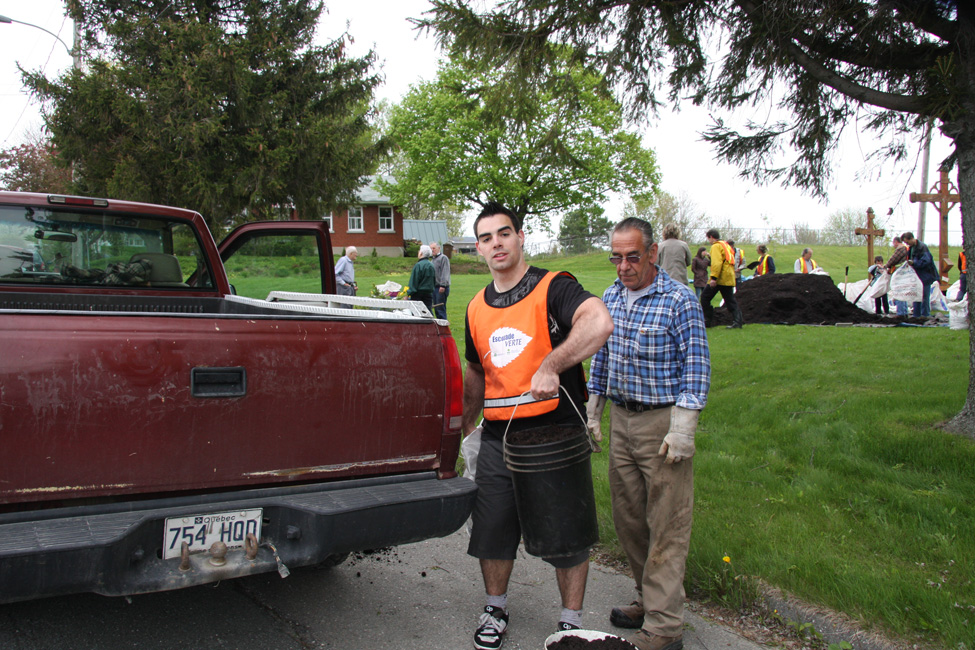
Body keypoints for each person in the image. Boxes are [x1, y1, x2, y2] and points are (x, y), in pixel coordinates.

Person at [463, 201, 613, 649]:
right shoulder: (474, 307)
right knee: (491, 529)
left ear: (521, 236)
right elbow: (476, 374)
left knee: (566, 533)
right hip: (497, 437)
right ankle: (495, 609)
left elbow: (599, 321)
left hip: (555, 433)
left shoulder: (553, 287)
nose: (497, 244)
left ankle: (570, 623)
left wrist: (552, 363)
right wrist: (458, 430)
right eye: (487, 238)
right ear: (478, 248)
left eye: (504, 233)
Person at [586, 217, 710, 650]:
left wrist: (684, 428)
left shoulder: (679, 301)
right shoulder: (611, 298)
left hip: (663, 426)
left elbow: (696, 367)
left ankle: (665, 626)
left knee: (667, 524)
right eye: (616, 257)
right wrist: (594, 409)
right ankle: (649, 597)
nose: (623, 266)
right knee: (630, 520)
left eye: (632, 257)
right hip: (622, 421)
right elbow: (600, 358)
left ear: (653, 253)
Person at [700, 229, 744, 329]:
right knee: (730, 300)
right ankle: (738, 321)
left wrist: (714, 278)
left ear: (711, 237)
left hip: (720, 277)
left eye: (708, 238)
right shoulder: (726, 245)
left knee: (705, 297)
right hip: (729, 276)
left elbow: (717, 263)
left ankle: (708, 320)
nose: (709, 241)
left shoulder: (716, 246)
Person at [901, 231, 937, 318]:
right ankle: (916, 314)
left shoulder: (922, 247)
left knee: (924, 296)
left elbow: (926, 261)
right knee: (916, 295)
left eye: (907, 242)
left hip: (926, 275)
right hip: (917, 276)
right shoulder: (911, 248)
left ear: (911, 238)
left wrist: (914, 263)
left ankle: (925, 315)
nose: (907, 244)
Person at [885, 237, 910, 316]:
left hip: (899, 274)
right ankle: (904, 311)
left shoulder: (901, 249)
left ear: (896, 242)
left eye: (893, 243)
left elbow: (893, 259)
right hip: (905, 273)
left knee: (899, 292)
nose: (893, 245)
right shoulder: (907, 248)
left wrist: (886, 266)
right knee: (904, 293)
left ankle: (901, 313)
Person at [407, 244, 436, 312]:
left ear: (421, 253)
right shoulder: (431, 265)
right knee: (428, 312)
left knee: (416, 313)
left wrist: (409, 293)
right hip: (428, 293)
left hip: (418, 294)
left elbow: (414, 281)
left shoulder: (418, 265)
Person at [430, 241, 452, 319]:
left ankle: (444, 327)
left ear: (439, 248)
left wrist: (443, 285)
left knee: (440, 309)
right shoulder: (432, 260)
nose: (432, 250)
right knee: (436, 308)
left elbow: (445, 272)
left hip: (441, 287)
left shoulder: (443, 258)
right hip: (434, 287)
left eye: (434, 248)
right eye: (431, 248)